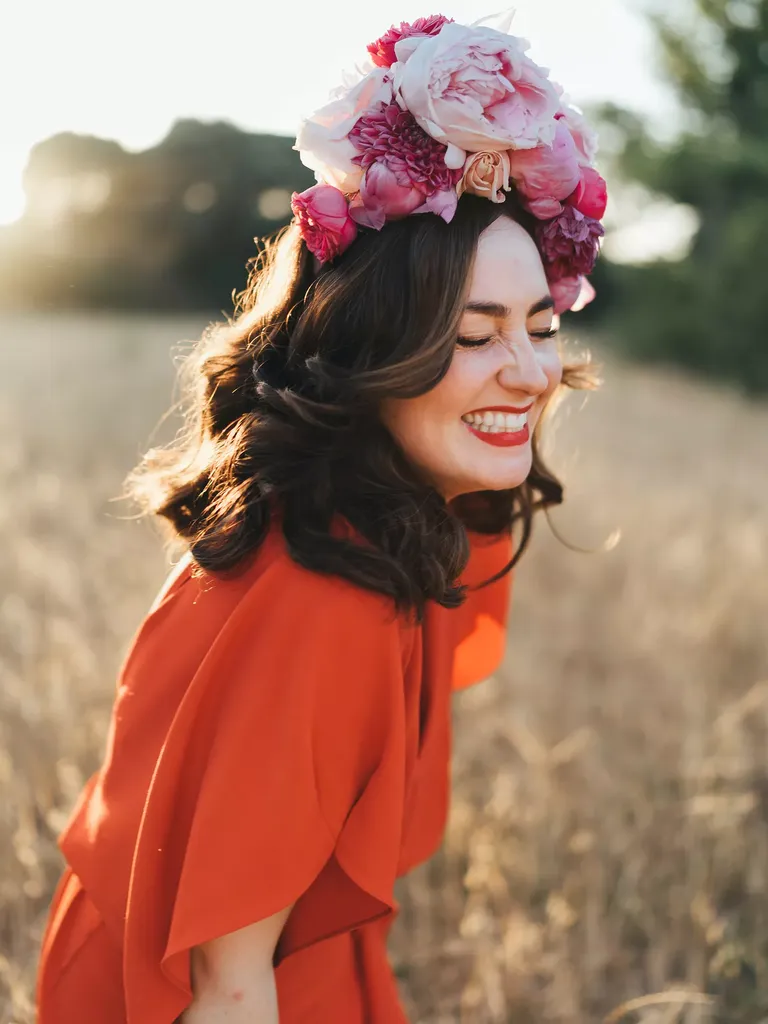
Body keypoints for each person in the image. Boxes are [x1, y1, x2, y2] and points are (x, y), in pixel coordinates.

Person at [35, 10, 607, 1024]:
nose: (527, 369)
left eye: (541, 324)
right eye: (476, 334)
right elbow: (228, 980)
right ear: (369, 353)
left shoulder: (367, 523)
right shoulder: (322, 599)